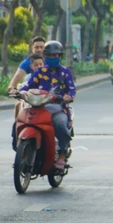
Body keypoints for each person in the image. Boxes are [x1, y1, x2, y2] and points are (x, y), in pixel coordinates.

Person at [20, 41, 76, 171]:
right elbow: (29, 85)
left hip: (58, 110)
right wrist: (19, 91)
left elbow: (72, 89)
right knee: (20, 120)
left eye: (55, 55)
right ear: (45, 56)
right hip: (39, 108)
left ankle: (62, 153)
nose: (52, 58)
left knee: (61, 124)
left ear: (60, 56)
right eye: (50, 55)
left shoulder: (65, 72)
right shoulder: (39, 72)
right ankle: (22, 151)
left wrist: (69, 96)